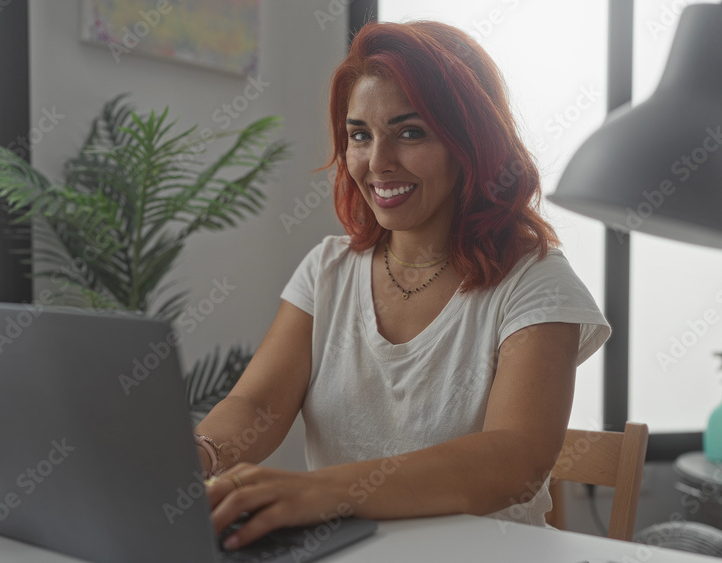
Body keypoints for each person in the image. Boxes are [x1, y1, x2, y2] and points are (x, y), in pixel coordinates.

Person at [193, 20, 610, 550]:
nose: (378, 163)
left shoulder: (536, 281)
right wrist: (202, 452)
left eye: (410, 132)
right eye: (360, 135)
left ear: (470, 144)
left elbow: (515, 460)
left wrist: (317, 492)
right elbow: (258, 406)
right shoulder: (327, 269)